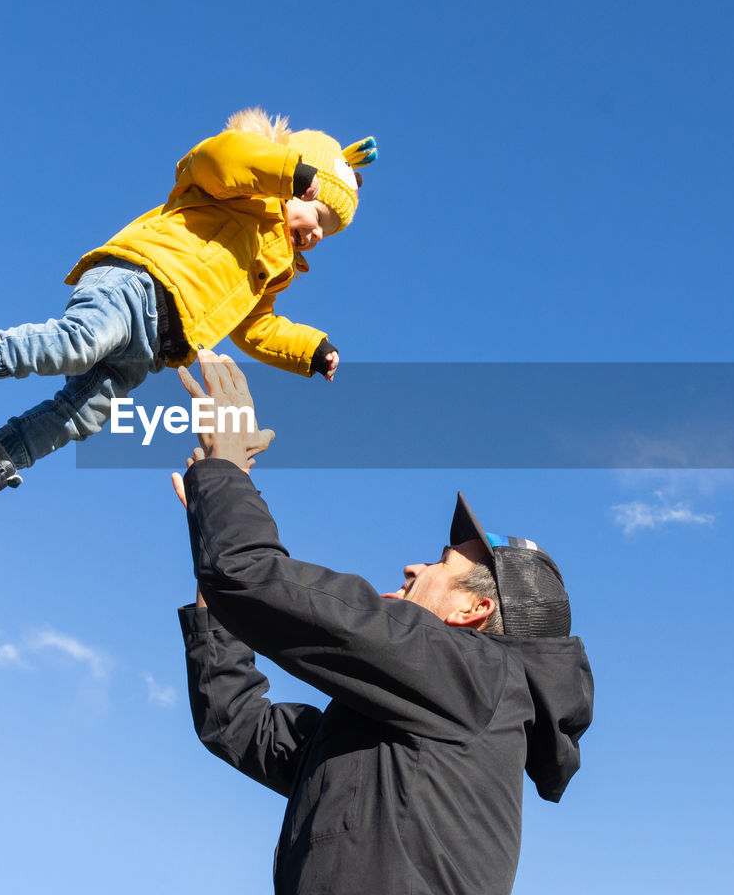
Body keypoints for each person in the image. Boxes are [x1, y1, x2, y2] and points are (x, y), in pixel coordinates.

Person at [171, 351, 594, 895]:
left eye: (441, 563)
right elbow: (233, 723)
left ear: (473, 611)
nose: (414, 566)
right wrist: (215, 558)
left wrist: (225, 472)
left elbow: (252, 575)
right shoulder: (388, 720)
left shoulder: (482, 676)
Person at [0, 108, 376, 540]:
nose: (315, 235)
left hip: (155, 348)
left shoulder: (272, 270)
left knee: (86, 412)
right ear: (293, 182)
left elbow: (256, 330)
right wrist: (285, 168)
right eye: (318, 215)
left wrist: (311, 349)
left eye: (325, 235)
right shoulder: (240, 191)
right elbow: (218, 158)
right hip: (136, 284)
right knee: (80, 342)